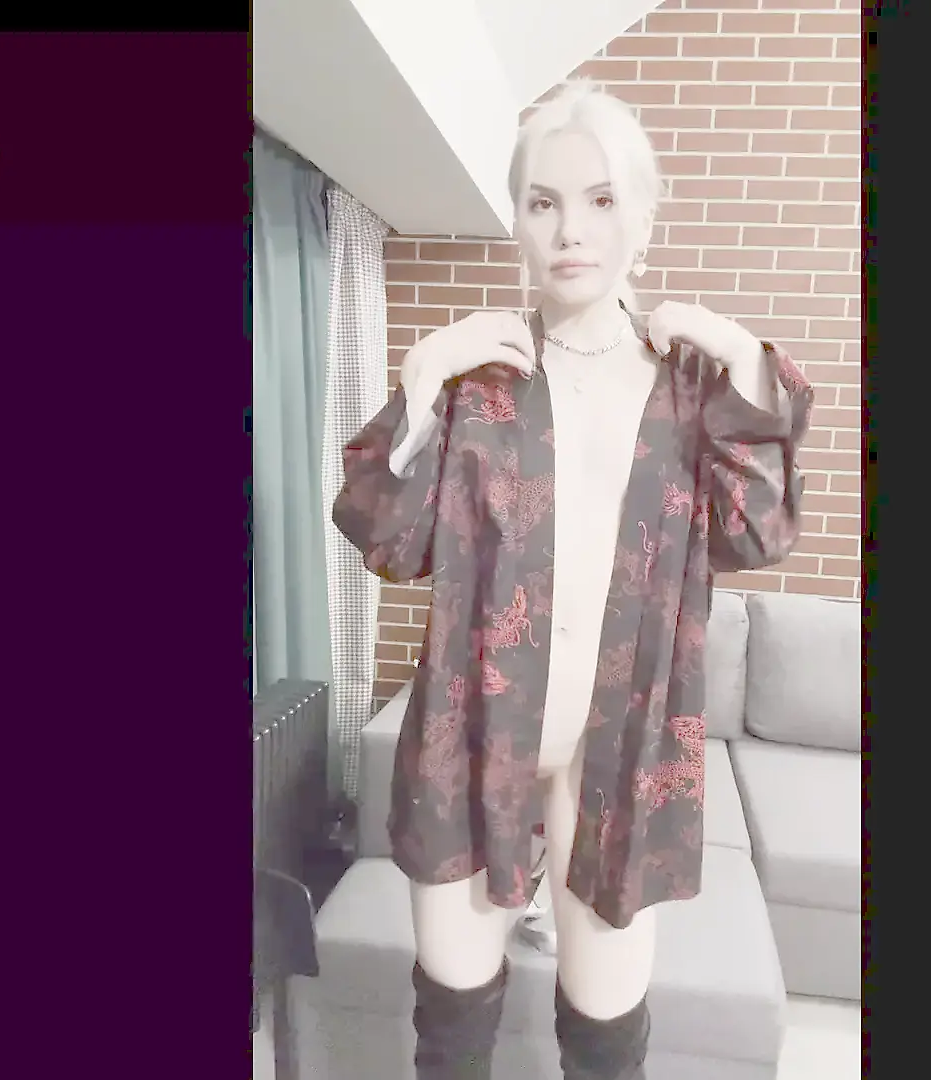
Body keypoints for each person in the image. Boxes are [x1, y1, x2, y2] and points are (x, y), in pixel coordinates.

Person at [332, 78, 812, 1080]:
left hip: (624, 755)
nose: (571, 229)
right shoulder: (478, 381)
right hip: (474, 741)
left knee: (604, 1044)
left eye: (600, 199)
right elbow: (384, 539)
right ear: (517, 219)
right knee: (451, 1036)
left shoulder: (691, 388)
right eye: (543, 201)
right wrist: (422, 373)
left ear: (643, 215)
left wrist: (741, 354)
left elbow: (759, 531)